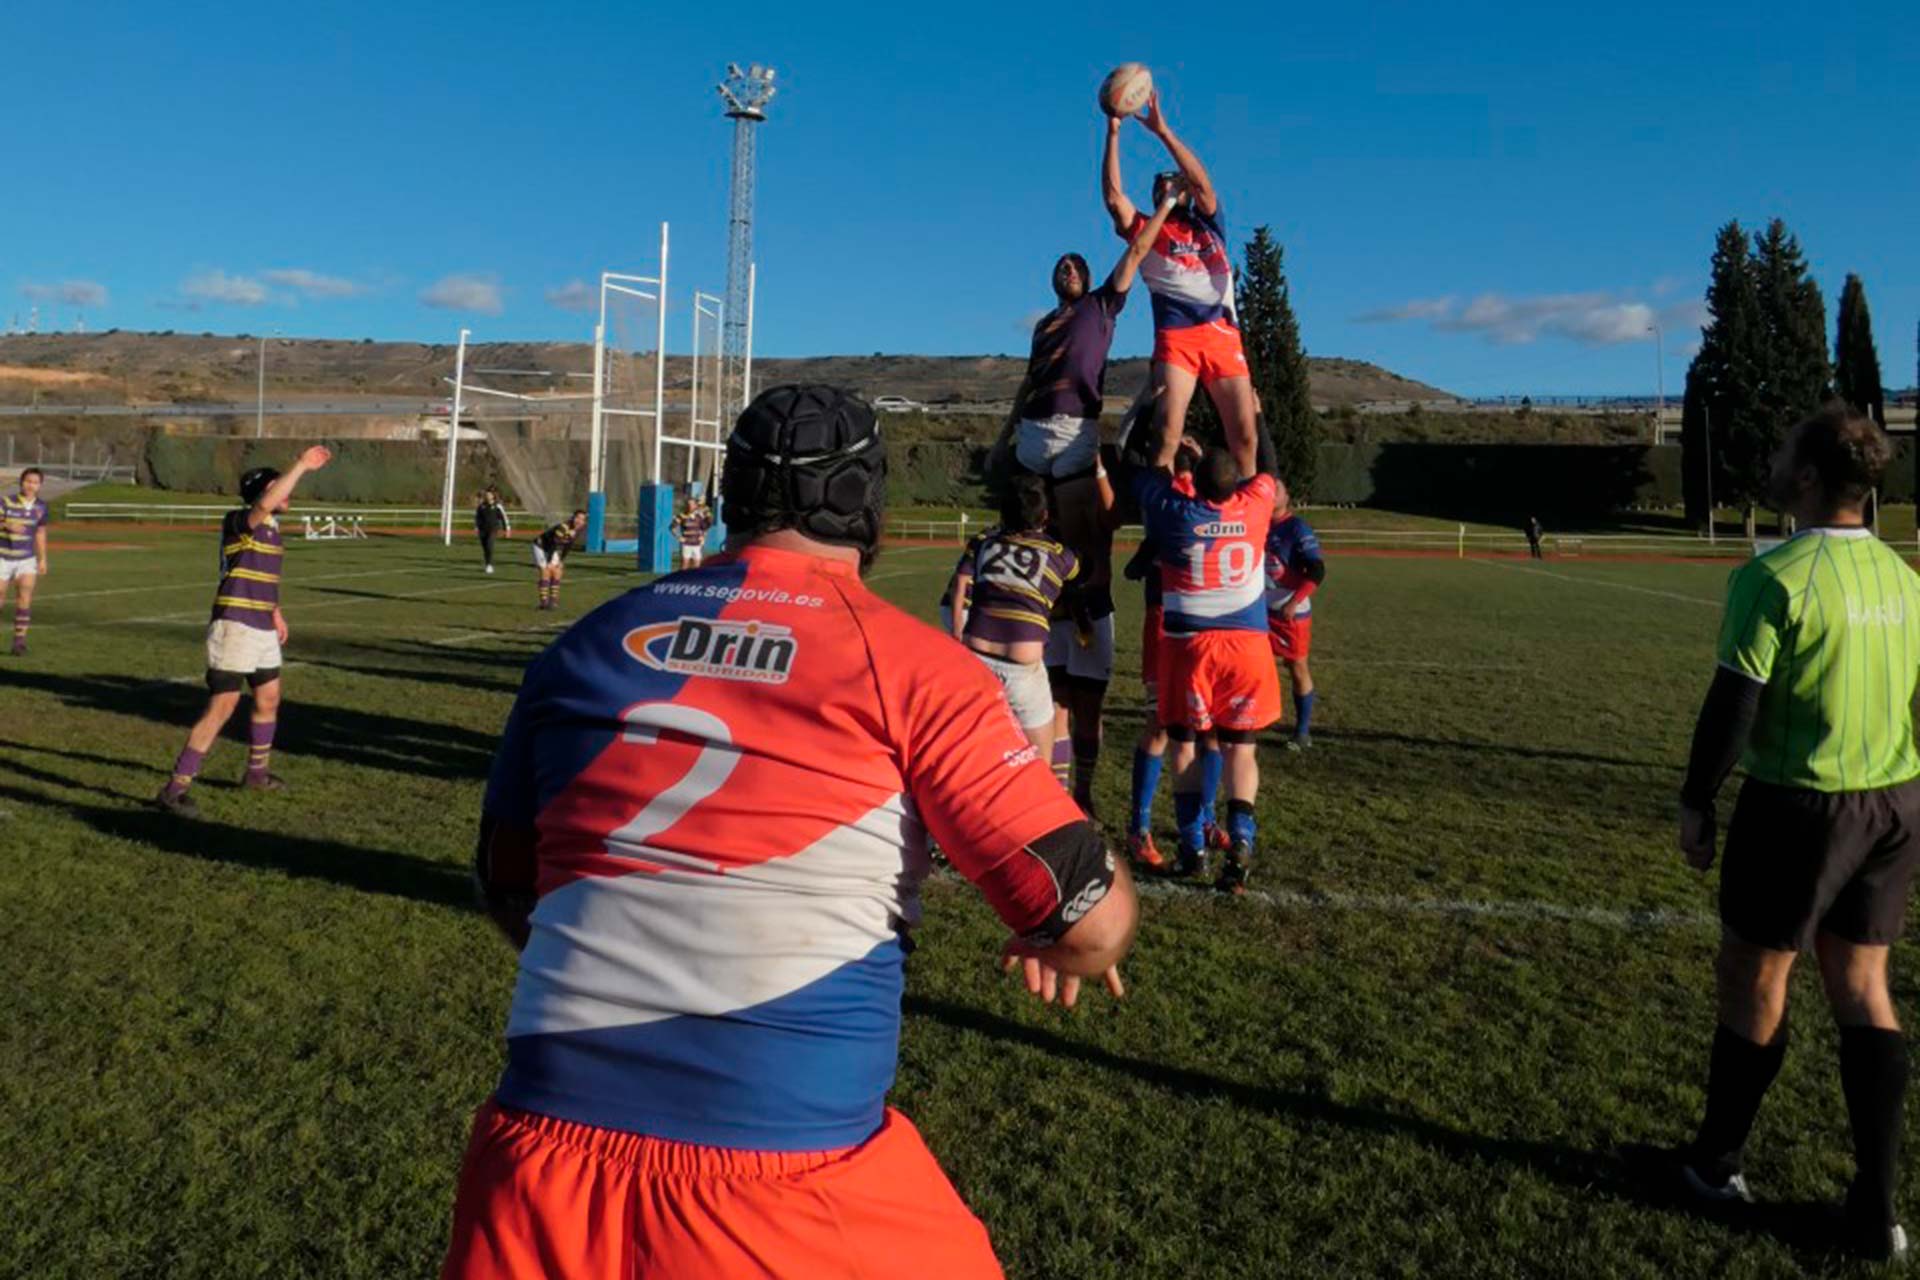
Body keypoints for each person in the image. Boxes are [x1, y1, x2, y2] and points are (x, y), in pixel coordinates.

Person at [443, 384, 1137, 1280]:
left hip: (531, 1182)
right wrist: (1070, 938)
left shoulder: (580, 646)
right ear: (866, 502)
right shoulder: (918, 668)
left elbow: (508, 887)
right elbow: (1087, 919)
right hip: (783, 1191)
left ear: (731, 493)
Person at [1638, 406, 1920, 1262]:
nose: (1773, 458)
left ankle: (1716, 1167)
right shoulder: (1905, 580)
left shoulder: (1776, 576)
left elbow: (1735, 704)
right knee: (1864, 986)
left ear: (1807, 477)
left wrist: (1695, 798)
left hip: (1801, 807)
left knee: (1756, 974)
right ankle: (1878, 1210)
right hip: (1896, 803)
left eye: (1784, 451)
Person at [1134, 432, 1280, 893]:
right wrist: (1252, 412)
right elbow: (1265, 465)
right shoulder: (1254, 505)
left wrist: (1176, 454)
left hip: (1189, 646)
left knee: (1184, 747)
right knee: (1241, 748)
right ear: (1236, 485)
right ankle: (1240, 840)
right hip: (1248, 646)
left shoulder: (1177, 513)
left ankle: (1193, 849)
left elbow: (1149, 473)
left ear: (1194, 483)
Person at [152, 448, 331, 817]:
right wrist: (300, 465)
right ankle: (175, 789)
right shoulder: (239, 520)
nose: (286, 493)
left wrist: (276, 614)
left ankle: (256, 774)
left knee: (269, 700)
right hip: (234, 626)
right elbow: (265, 505)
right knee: (223, 707)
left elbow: (260, 579)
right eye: (277, 487)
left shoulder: (273, 533)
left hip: (262, 627)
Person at [1103, 90, 1259, 479]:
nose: (1168, 186)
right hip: (1178, 338)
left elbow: (1204, 183)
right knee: (1168, 433)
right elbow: (1112, 197)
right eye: (1160, 184)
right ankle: (1164, 514)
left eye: (1174, 181)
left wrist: (1163, 131)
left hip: (1223, 334)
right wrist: (1114, 133)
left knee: (1245, 435)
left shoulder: (1209, 223)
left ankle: (1249, 519)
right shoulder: (1147, 228)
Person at [949, 473, 1079, 761]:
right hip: (1022, 667)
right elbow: (1078, 573)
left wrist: (957, 634)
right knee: (1039, 762)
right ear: (1045, 515)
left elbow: (960, 583)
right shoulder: (1057, 554)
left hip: (976, 657)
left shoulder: (984, 544)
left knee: (973, 756)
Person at [1266, 481, 1326, 750]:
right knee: (1252, 664)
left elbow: (1316, 571)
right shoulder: (1257, 522)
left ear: (1287, 496)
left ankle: (1302, 732)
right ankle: (1249, 722)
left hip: (1290, 613)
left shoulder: (1297, 528)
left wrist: (1294, 602)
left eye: (1276, 489)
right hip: (1257, 610)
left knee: (1296, 666)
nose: (1270, 494)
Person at [1, 466, 49, 656]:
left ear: (40, 485)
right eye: (28, 481)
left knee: (24, 597)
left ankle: (19, 643)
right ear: (21, 482)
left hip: (26, 559)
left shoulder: (41, 507)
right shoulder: (6, 502)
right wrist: (6, 524)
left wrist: (43, 558)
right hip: (2, 557)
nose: (31, 485)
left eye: (35, 482)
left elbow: (40, 532)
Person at [532, 510, 585, 611]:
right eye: (578, 517)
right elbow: (554, 543)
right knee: (545, 571)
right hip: (541, 546)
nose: (579, 521)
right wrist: (549, 562)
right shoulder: (563, 527)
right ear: (573, 517)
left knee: (557, 572)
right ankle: (543, 603)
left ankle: (553, 602)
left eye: (582, 519)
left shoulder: (578, 530)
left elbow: (568, 546)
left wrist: (561, 560)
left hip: (552, 548)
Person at [670, 492, 712, 570]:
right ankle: (681, 581)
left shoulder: (699, 516)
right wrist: (679, 537)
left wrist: (703, 537)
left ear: (695, 505)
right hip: (686, 544)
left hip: (697, 544)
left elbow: (705, 527)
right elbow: (672, 527)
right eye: (689, 504)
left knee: (697, 566)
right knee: (684, 565)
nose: (690, 506)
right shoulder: (682, 515)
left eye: (692, 504)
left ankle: (694, 582)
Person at [475, 488, 511, 574]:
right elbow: (477, 518)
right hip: (483, 530)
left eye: (489, 494)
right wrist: (476, 527)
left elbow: (504, 518)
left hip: (493, 529)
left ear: (493, 496)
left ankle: (489, 565)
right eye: (486, 494)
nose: (487, 496)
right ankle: (487, 562)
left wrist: (507, 529)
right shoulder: (481, 506)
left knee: (489, 544)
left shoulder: (497, 506)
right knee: (485, 548)